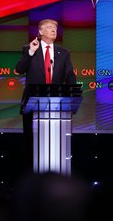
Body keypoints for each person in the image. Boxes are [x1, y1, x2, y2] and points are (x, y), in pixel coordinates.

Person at [15, 19, 77, 172]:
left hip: (56, 105)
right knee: (32, 144)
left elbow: (70, 76)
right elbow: (20, 69)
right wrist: (30, 52)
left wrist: (72, 97)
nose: (53, 30)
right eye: (49, 27)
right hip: (32, 104)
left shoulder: (63, 53)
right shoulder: (30, 49)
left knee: (55, 143)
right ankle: (32, 177)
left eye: (55, 27)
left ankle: (56, 175)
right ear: (40, 32)